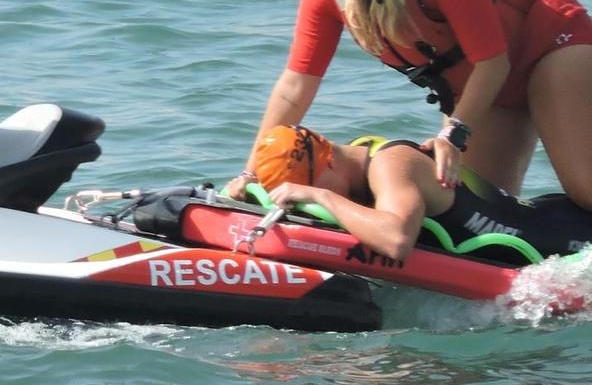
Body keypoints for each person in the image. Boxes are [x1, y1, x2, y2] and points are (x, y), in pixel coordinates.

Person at [232, 0, 592, 209]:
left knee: (584, 187)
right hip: (489, 91)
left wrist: (453, 133)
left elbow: (492, 61)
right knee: (479, 210)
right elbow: (296, 85)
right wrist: (253, 173)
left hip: (551, 47)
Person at [247, 122, 592, 262]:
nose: (304, 200)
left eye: (305, 190)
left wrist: (322, 197)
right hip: (546, 216)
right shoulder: (360, 157)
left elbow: (397, 240)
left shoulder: (391, 166)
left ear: (329, 164)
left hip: (565, 238)